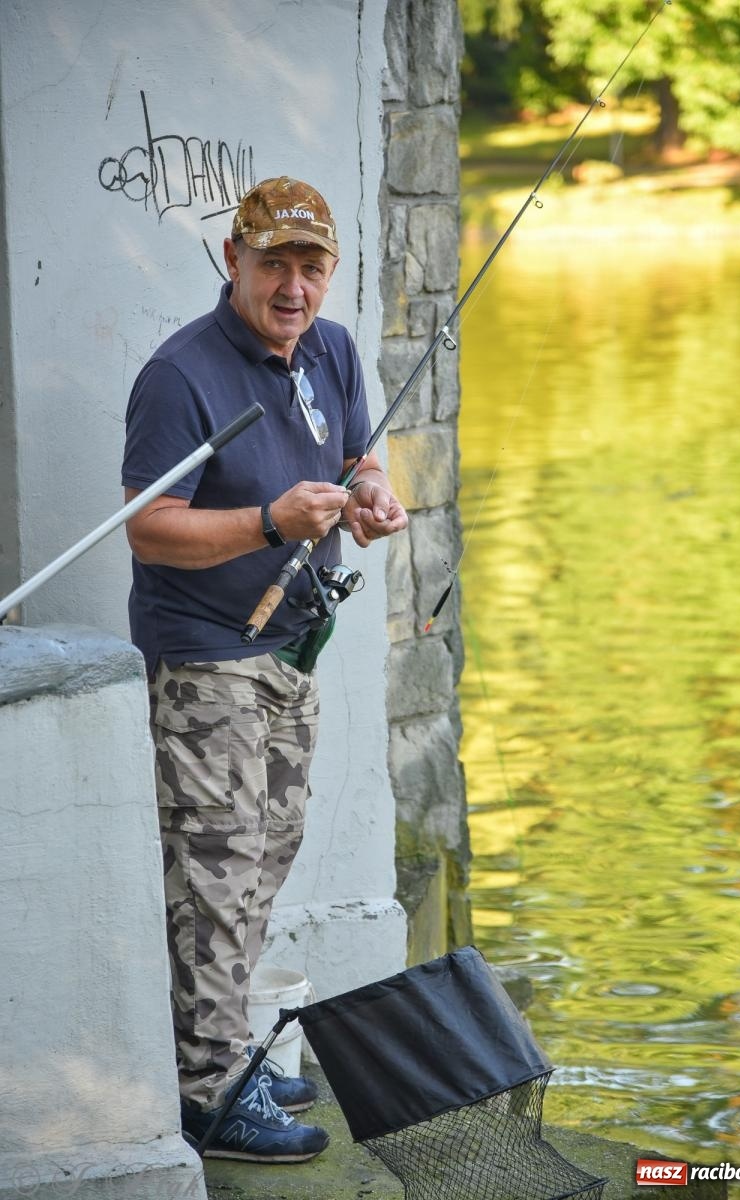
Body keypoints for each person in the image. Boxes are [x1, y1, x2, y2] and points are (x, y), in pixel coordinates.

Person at [121, 176, 408, 1163]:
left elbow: (366, 455)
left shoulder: (328, 348)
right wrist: (267, 522)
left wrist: (373, 495)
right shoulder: (180, 375)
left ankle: (227, 1050)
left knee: (264, 858)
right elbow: (149, 530)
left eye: (311, 265)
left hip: (293, 647)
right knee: (215, 871)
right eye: (274, 263)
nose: (293, 285)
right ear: (232, 260)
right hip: (205, 657)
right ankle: (207, 1095)